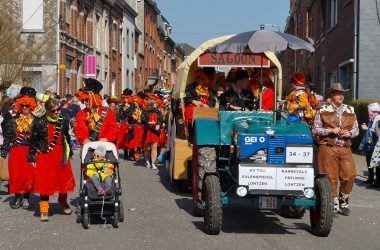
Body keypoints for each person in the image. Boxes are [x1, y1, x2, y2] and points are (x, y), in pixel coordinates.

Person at [312, 82, 359, 216]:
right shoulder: (322, 109)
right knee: (330, 177)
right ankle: (333, 204)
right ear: (331, 95)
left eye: (342, 93)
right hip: (328, 147)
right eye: (338, 93)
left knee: (349, 175)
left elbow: (355, 129)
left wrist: (349, 134)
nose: (341, 96)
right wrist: (330, 130)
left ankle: (344, 200)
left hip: (345, 147)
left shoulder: (350, 110)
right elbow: (315, 130)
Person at [28, 98, 75, 221]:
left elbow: (67, 136)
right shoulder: (39, 121)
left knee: (63, 179)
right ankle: (44, 209)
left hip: (60, 153)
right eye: (53, 111)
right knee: (45, 181)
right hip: (45, 154)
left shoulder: (63, 120)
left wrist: (69, 152)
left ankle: (63, 201)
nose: (56, 112)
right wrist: (32, 156)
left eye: (58, 109)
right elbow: (33, 140)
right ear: (47, 111)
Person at [1, 87, 37, 209]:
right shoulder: (13, 120)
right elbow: (8, 136)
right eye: (23, 106)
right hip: (16, 151)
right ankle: (17, 197)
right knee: (16, 175)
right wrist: (3, 152)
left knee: (28, 175)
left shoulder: (36, 120)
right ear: (19, 105)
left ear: (31, 106)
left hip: (29, 151)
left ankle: (26, 197)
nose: (25, 108)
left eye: (27, 106)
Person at [73, 79, 119, 145]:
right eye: (83, 100)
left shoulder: (109, 112)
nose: (84, 102)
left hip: (105, 146)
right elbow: (80, 130)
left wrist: (106, 138)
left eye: (87, 100)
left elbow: (114, 129)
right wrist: (84, 139)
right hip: (88, 146)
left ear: (94, 99)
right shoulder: (81, 114)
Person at [184, 68, 217, 142]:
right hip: (194, 108)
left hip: (206, 109)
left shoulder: (209, 89)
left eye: (202, 78)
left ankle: (209, 135)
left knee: (213, 113)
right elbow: (186, 98)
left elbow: (213, 100)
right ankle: (192, 135)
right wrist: (194, 101)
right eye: (198, 78)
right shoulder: (190, 87)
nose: (199, 80)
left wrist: (208, 105)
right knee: (191, 110)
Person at [359, 102, 380, 184]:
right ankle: (371, 178)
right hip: (372, 143)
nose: (369, 112)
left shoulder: (377, 118)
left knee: (376, 162)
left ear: (374, 110)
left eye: (369, 110)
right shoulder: (373, 117)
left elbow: (377, 131)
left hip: (376, 144)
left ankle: (377, 181)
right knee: (368, 158)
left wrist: (366, 128)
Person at [142, 99, 163, 169]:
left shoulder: (158, 112)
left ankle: (153, 163)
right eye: (154, 103)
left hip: (155, 132)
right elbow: (143, 121)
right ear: (150, 105)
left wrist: (159, 125)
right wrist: (149, 123)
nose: (155, 105)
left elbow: (161, 120)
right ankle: (147, 161)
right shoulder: (145, 112)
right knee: (147, 148)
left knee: (154, 148)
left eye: (156, 103)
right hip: (147, 131)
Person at [126, 95, 144, 161]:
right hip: (133, 126)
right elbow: (126, 113)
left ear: (139, 101)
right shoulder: (131, 108)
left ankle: (137, 155)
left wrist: (141, 119)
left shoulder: (142, 109)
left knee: (139, 142)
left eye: (136, 101)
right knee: (131, 141)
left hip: (140, 127)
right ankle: (131, 154)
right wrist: (132, 115)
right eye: (134, 101)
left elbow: (145, 117)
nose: (135, 102)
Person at [117, 88, 133, 159]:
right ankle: (126, 154)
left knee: (131, 139)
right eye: (124, 97)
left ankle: (131, 154)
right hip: (124, 124)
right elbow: (119, 116)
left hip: (131, 124)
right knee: (124, 139)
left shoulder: (132, 106)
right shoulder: (121, 106)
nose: (125, 98)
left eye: (127, 97)